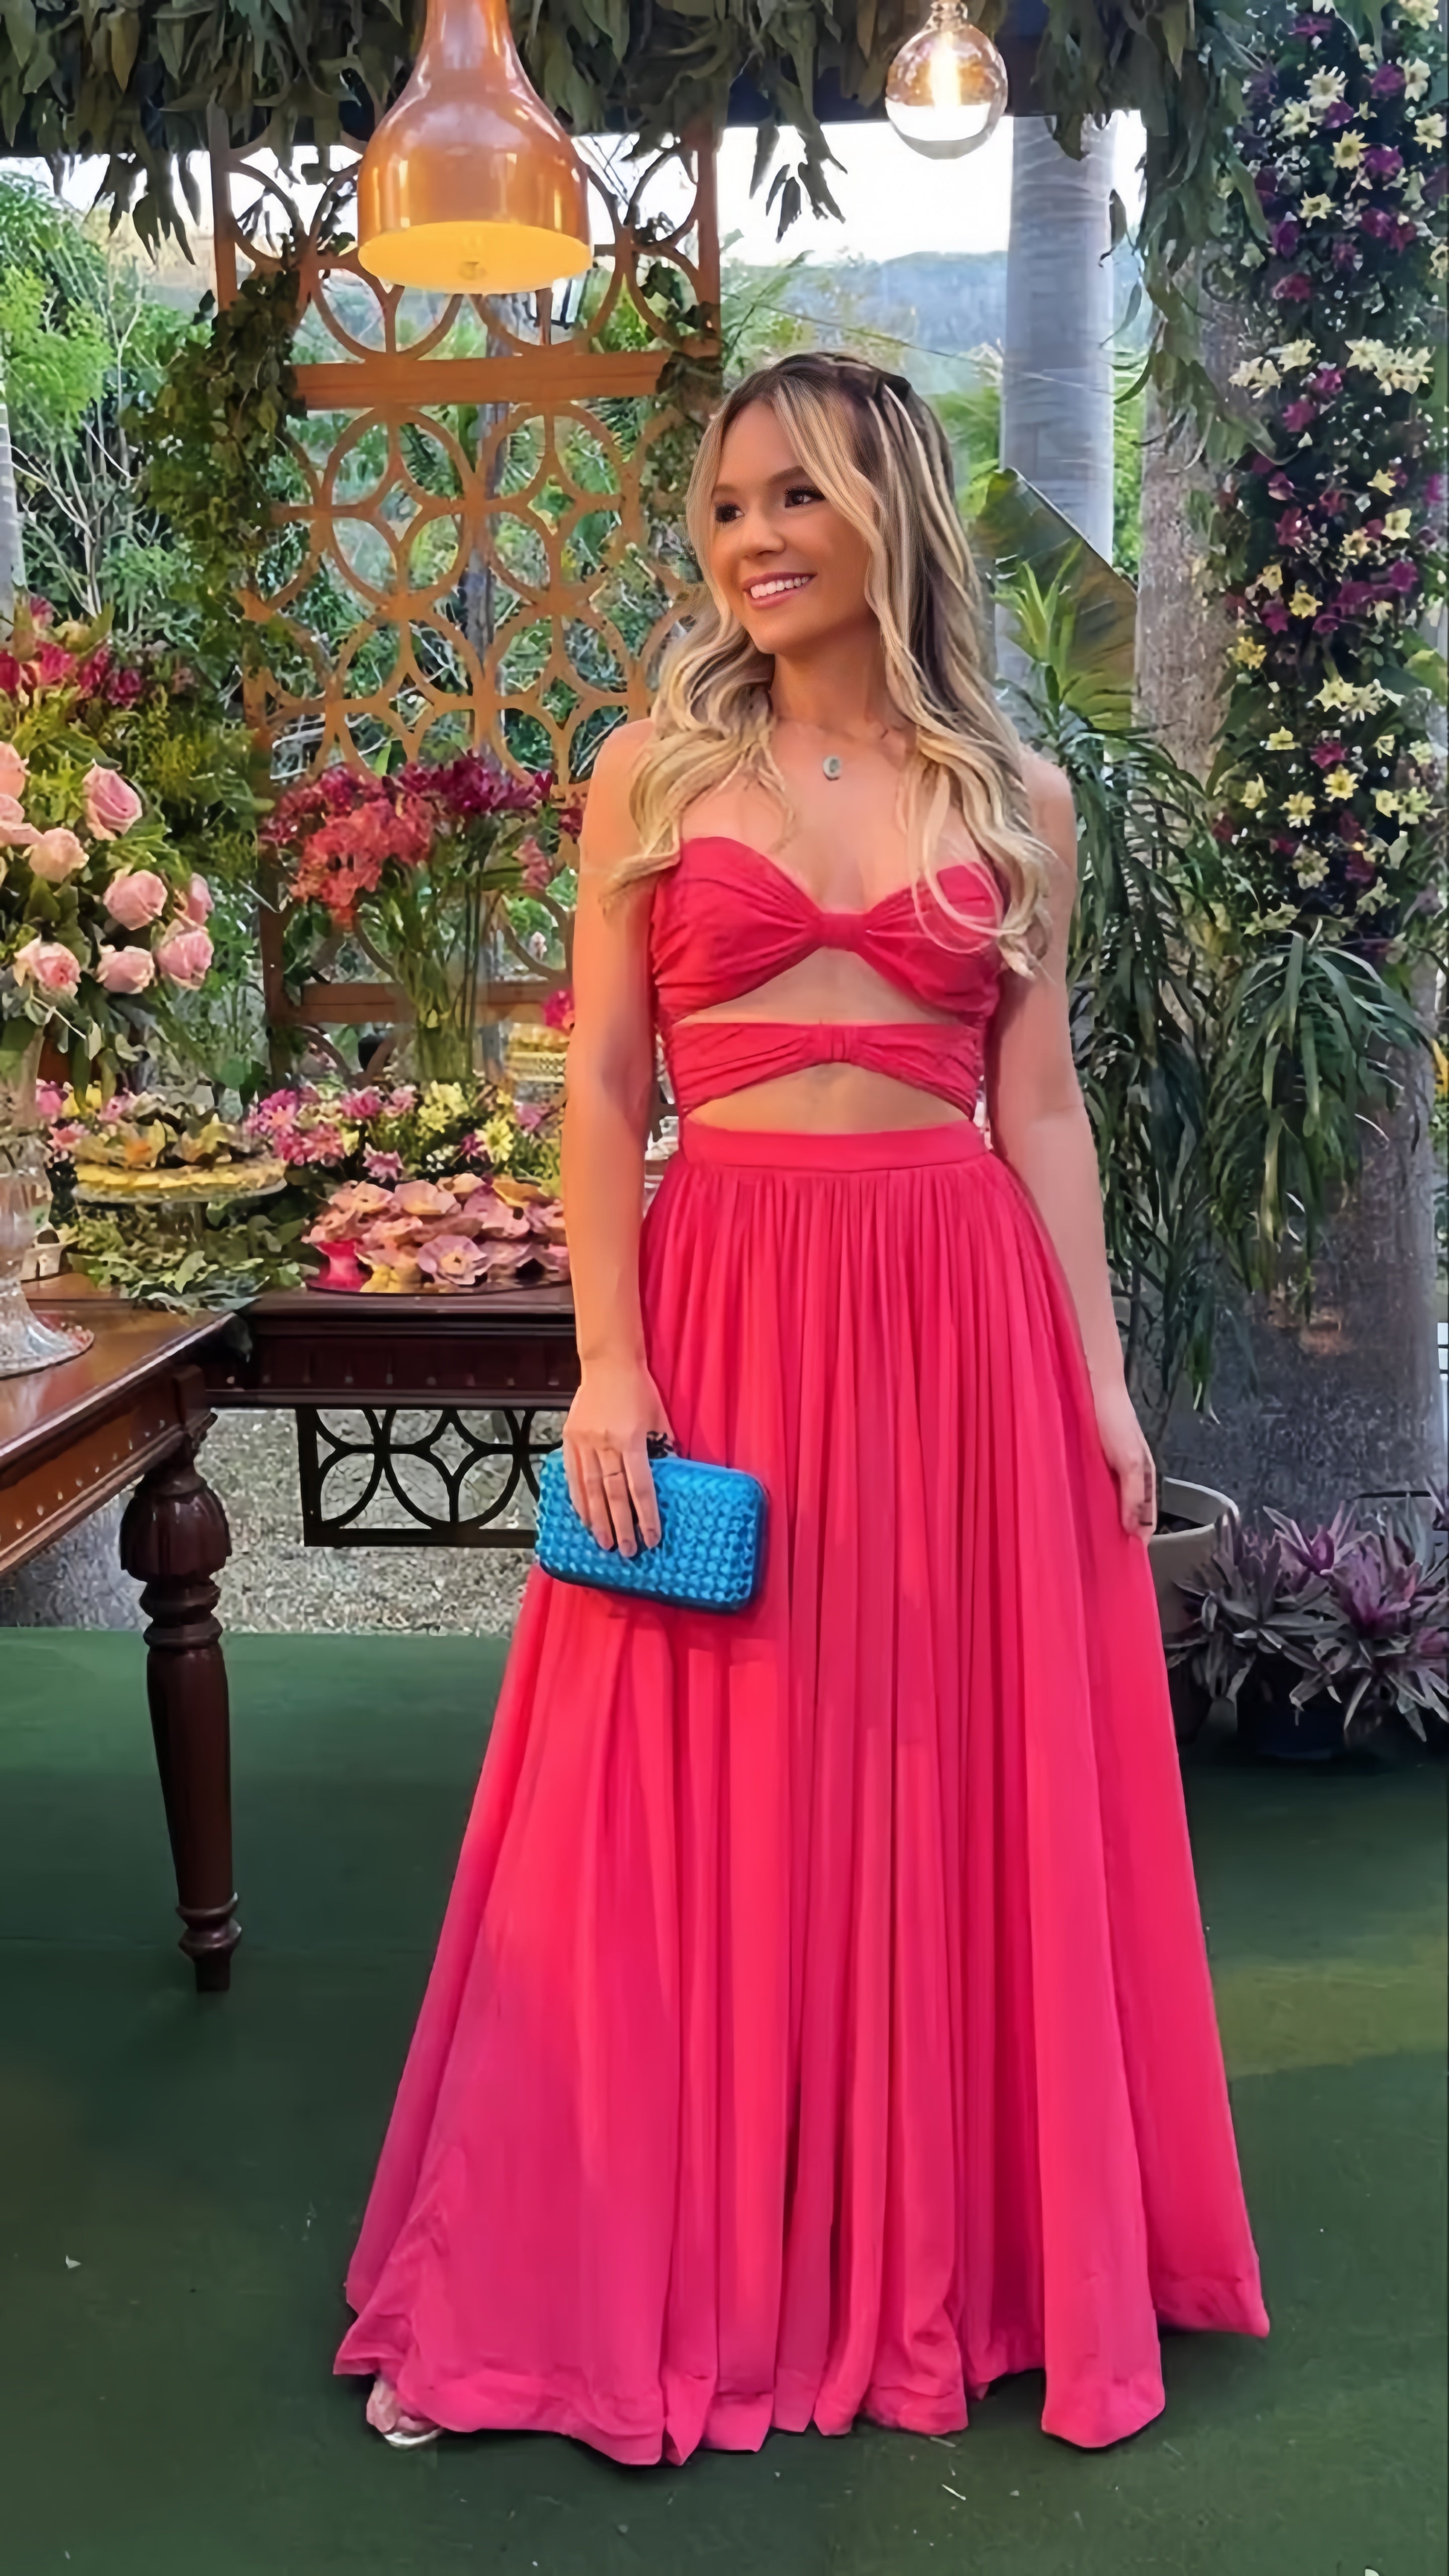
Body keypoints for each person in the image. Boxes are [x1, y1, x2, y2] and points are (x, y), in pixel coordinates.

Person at [336, 349, 1268, 2462]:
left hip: (960, 1327)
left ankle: (944, 2251)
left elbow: (1042, 1107)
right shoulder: (652, 775)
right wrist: (607, 1358)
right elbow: (600, 1088)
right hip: (728, 1303)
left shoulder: (1013, 799)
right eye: (729, 503)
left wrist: (1104, 1379)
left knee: (935, 1771)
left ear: (888, 517)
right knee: (660, 1787)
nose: (750, 538)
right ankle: (574, 2274)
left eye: (795, 497)